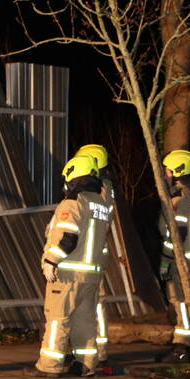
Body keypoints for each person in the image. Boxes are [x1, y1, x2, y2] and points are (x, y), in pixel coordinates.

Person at [25, 155, 113, 378]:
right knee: (85, 319)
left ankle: (49, 366)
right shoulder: (100, 203)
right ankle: (86, 364)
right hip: (91, 274)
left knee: (57, 318)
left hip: (68, 273)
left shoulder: (73, 202)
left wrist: (51, 261)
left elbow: (68, 237)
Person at [158, 150, 190, 363]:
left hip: (182, 261)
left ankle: (182, 348)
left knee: (182, 303)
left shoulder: (179, 198)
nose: (165, 174)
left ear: (177, 171)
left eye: (168, 170)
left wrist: (166, 259)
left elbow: (177, 235)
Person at [75, 143, 114, 366]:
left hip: (94, 253)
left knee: (96, 302)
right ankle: (90, 350)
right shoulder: (103, 187)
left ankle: (98, 351)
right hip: (92, 251)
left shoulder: (102, 189)